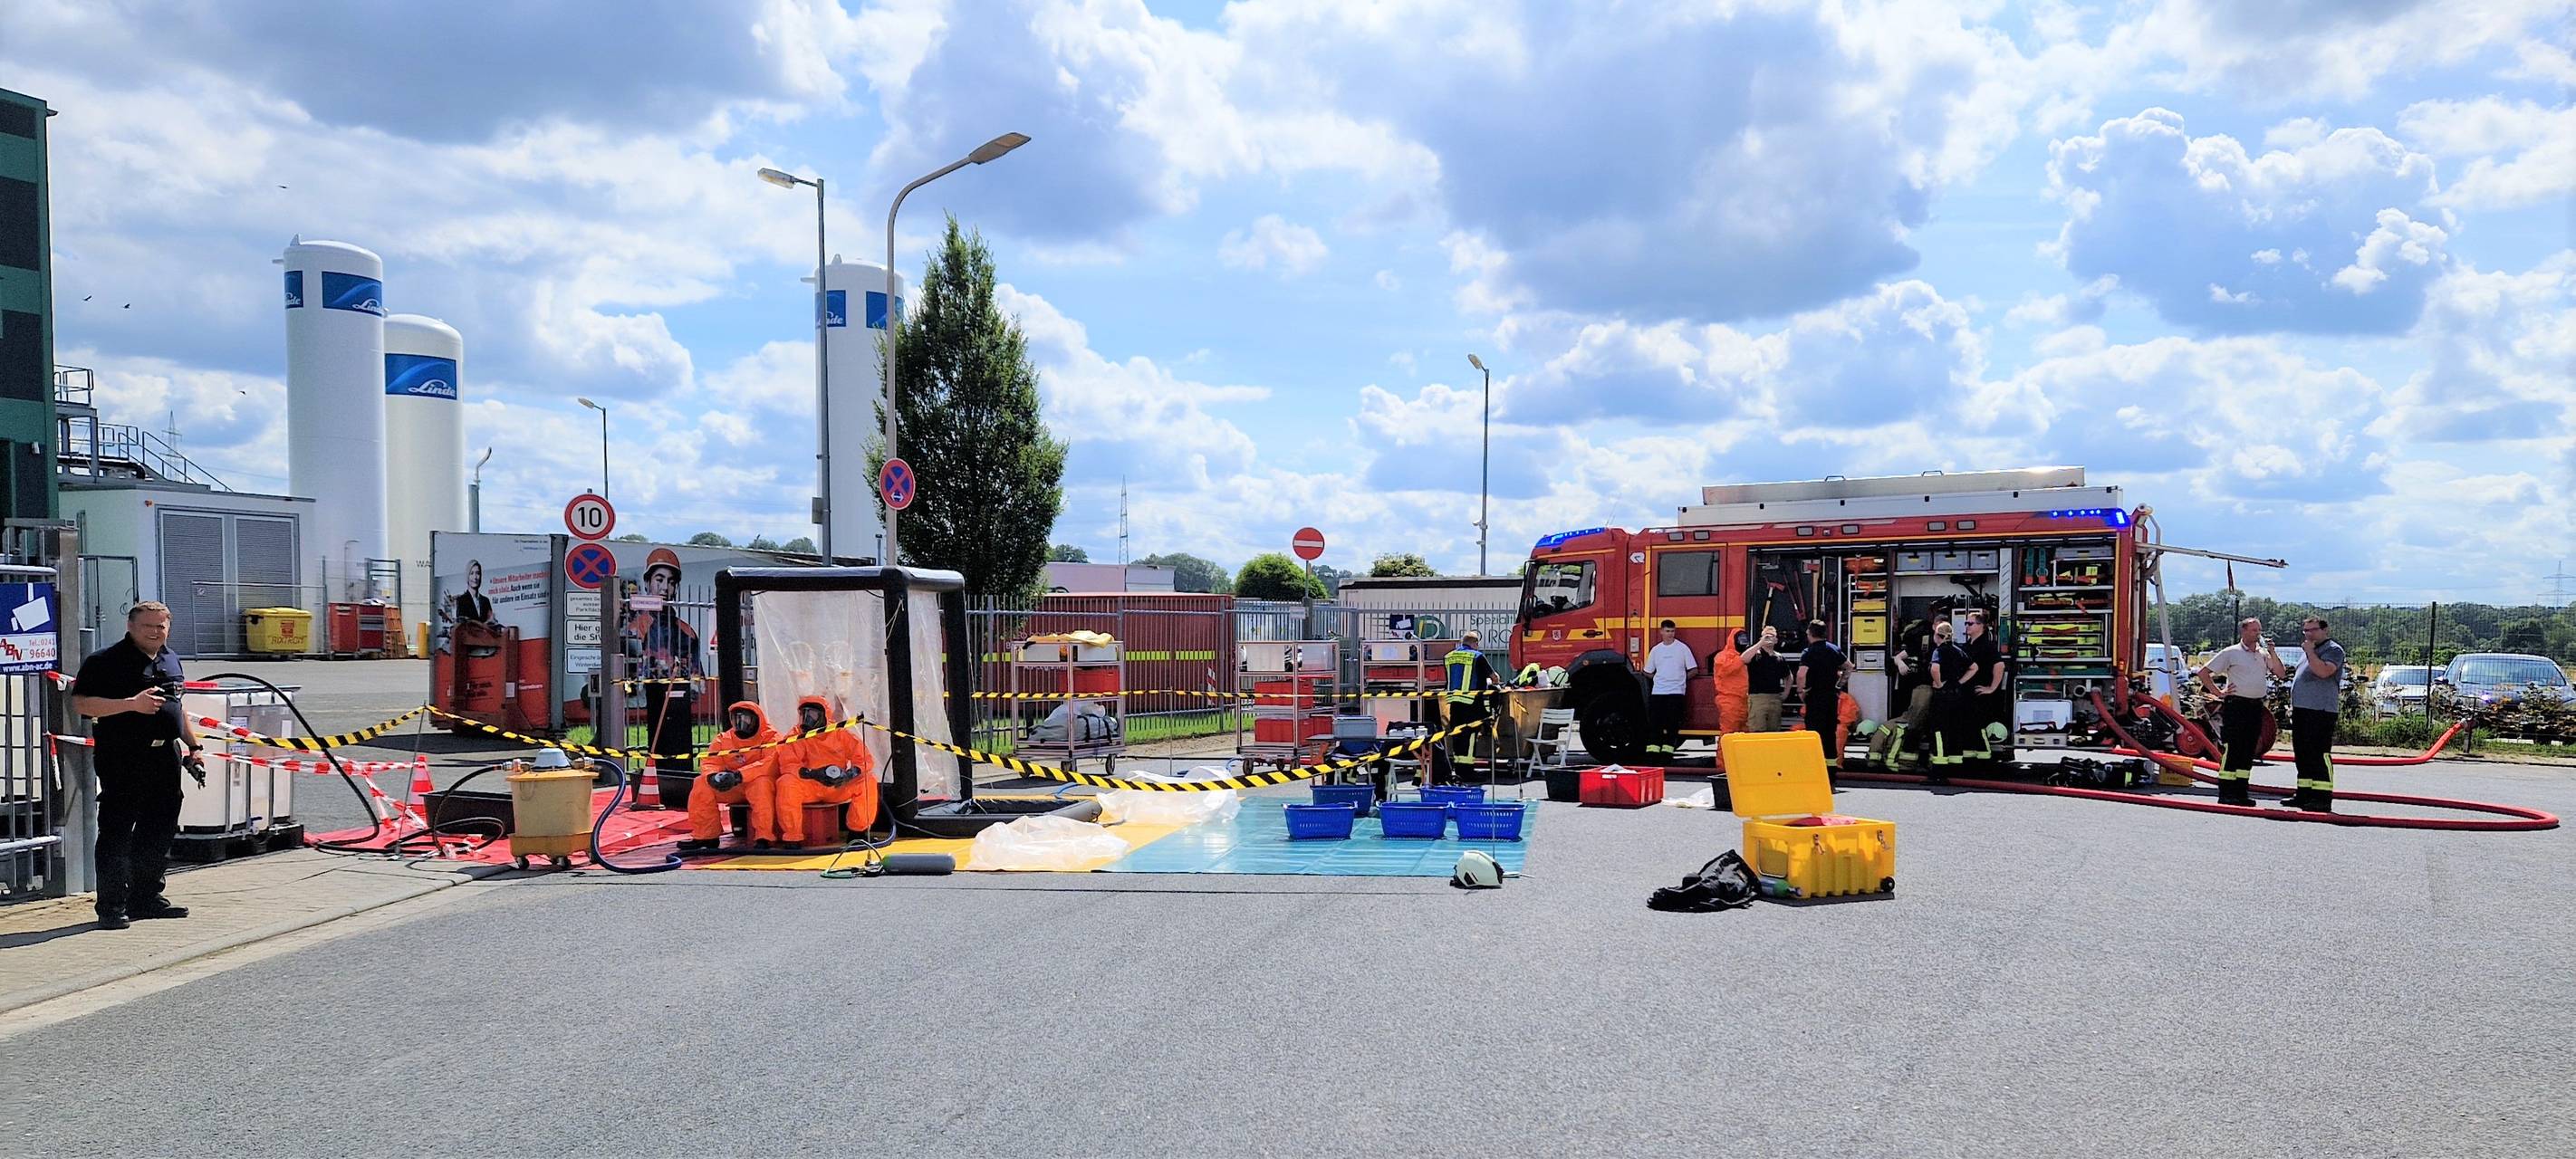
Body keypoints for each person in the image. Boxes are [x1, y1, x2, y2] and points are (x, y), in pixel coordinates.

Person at [69, 602, 207, 930]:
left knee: (158, 831)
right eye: (148, 626)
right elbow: (81, 704)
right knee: (117, 832)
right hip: (123, 757)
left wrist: (194, 746)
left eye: (161, 626)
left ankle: (146, 898)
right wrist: (131, 705)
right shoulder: (104, 661)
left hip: (165, 757)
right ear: (131, 626)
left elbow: (178, 706)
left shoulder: (170, 659)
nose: (155, 631)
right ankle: (112, 907)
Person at [622, 548, 704, 795]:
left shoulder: (687, 632)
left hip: (679, 707)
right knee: (655, 745)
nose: (665, 587)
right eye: (659, 580)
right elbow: (629, 671)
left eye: (671, 581)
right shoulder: (634, 629)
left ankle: (679, 779)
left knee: (678, 746)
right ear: (647, 583)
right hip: (652, 701)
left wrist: (691, 682)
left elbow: (697, 680)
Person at [2196, 617, 2286, 808]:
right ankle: (2227, 792)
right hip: (2236, 705)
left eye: (2259, 630)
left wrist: (2272, 652)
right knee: (2234, 748)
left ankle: (2241, 791)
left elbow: (2280, 673)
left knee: (2248, 749)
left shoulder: (2263, 654)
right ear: (2244, 632)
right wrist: (2218, 693)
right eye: (2254, 631)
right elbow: (2203, 673)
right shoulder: (2232, 653)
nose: (2258, 634)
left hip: (2255, 706)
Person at [773, 695, 879, 847]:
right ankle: (792, 837)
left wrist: (848, 775)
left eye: (813, 714)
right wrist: (814, 774)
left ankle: (858, 833)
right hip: (809, 787)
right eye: (804, 714)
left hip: (836, 786)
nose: (807, 718)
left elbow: (864, 759)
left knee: (868, 780)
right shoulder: (795, 735)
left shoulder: (840, 733)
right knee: (786, 782)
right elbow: (788, 765)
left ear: (824, 715)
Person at [678, 701, 781, 852]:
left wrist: (740, 775)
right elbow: (710, 761)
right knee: (701, 783)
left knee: (762, 785)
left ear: (756, 718)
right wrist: (713, 777)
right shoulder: (723, 739)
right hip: (732, 785)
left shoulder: (771, 737)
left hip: (757, 783)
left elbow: (769, 765)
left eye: (745, 718)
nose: (740, 723)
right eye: (736, 719)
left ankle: (764, 837)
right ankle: (706, 836)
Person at [2285, 617, 2344, 812]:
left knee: (2319, 754)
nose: (2309, 634)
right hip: (2302, 710)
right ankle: (2304, 794)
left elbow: (2324, 672)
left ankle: (2322, 797)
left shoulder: (2333, 650)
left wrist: (2310, 652)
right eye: (2306, 631)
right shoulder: (2308, 652)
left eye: (2313, 630)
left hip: (2321, 711)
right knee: (2302, 754)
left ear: (2324, 630)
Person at [1442, 632, 1507, 781]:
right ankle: (1467, 771)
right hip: (1472, 702)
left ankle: (1458, 769)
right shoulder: (1477, 656)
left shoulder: (1449, 656)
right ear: (1475, 643)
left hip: (1454, 702)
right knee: (1470, 736)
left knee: (1458, 734)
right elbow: (1494, 678)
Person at [1793, 620, 1850, 769]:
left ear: (1810, 634)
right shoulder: (1834, 649)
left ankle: (1815, 769)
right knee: (1830, 735)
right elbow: (1849, 667)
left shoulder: (1808, 652)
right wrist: (1839, 684)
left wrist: (1801, 691)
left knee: (1814, 735)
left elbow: (1801, 674)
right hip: (1831, 698)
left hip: (1814, 697)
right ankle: (1831, 775)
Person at [1960, 609, 2011, 771]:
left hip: (1981, 695)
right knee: (1967, 727)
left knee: (1978, 728)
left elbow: (1999, 666)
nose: (1966, 626)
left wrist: (1992, 688)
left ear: (1981, 626)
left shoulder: (1987, 646)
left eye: (1970, 623)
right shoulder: (1967, 645)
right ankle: (1970, 762)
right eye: (1966, 623)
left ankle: (1984, 762)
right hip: (1969, 694)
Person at [1923, 618, 1970, 782]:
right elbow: (1974, 667)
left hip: (1942, 696)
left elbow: (1935, 668)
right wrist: (1959, 682)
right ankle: (1956, 768)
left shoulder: (1939, 651)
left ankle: (1939, 771)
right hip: (1957, 695)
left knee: (1939, 732)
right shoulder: (1958, 650)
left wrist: (1938, 683)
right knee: (1955, 729)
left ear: (1938, 636)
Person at [1642, 619, 1696, 760]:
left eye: (1672, 631)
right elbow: (1647, 671)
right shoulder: (1656, 650)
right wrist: (1656, 678)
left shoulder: (1683, 648)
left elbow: (1693, 670)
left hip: (1676, 693)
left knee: (1672, 724)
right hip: (1658, 692)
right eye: (1667, 631)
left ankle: (1667, 753)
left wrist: (1680, 680)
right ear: (1661, 632)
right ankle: (1652, 752)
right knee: (1655, 723)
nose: (1670, 634)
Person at [1708, 630, 1749, 771]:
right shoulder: (1723, 657)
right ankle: (1723, 768)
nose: (1743, 642)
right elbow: (1731, 667)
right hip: (1729, 701)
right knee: (1728, 734)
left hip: (1744, 701)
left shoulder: (1742, 656)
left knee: (1743, 736)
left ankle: (1740, 766)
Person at [1743, 626, 1792, 733]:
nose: (1769, 638)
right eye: (1766, 636)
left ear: (1776, 640)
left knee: (1774, 731)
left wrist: (1786, 692)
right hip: (1758, 698)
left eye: (1772, 636)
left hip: (1775, 699)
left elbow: (1788, 677)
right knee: (1757, 731)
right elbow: (1743, 659)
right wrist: (1760, 643)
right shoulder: (1755, 655)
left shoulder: (1779, 657)